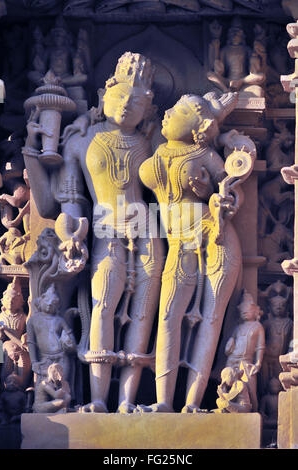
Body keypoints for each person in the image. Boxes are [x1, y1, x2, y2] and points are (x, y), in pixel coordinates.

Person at [23, 52, 164, 413]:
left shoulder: (150, 142)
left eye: (138, 99)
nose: (128, 105)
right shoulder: (80, 140)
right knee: (102, 306)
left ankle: (128, 402)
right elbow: (67, 203)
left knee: (144, 313)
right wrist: (72, 231)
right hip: (103, 230)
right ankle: (99, 400)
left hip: (147, 232)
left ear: (149, 107)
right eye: (121, 96)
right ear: (105, 95)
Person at [138, 92, 252, 412]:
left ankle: (192, 402)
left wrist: (221, 198)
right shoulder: (158, 150)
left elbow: (230, 190)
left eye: (176, 111)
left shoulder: (205, 154)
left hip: (215, 238)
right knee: (168, 316)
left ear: (198, 126)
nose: (168, 113)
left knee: (211, 319)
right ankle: (163, 401)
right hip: (177, 242)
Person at [26, 284, 76, 388]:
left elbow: (71, 338)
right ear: (40, 301)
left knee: (62, 385)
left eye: (53, 303)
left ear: (57, 306)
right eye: (47, 301)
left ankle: (64, 403)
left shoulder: (60, 320)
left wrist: (69, 342)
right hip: (43, 359)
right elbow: (31, 342)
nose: (49, 304)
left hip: (62, 357)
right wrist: (34, 361)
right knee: (44, 388)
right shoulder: (33, 320)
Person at [224, 289, 265, 411]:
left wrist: (258, 363)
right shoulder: (237, 328)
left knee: (250, 388)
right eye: (242, 311)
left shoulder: (258, 327)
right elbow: (229, 347)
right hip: (232, 360)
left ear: (255, 311)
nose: (245, 313)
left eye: (248, 310)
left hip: (246, 362)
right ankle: (227, 405)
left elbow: (260, 347)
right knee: (227, 383)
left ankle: (253, 409)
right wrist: (229, 345)